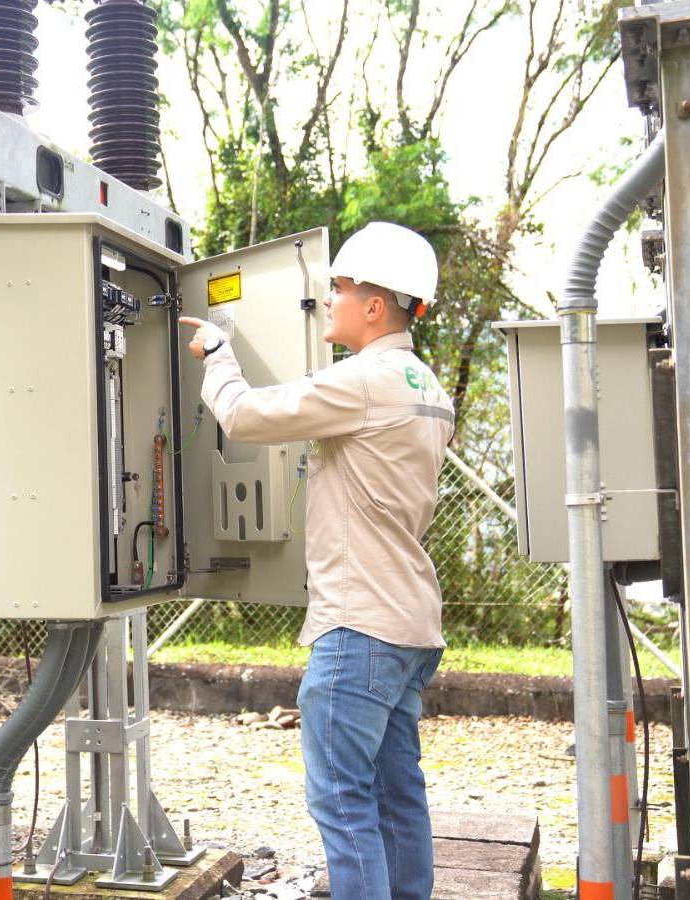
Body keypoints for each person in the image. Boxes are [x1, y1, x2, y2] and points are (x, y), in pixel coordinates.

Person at [180, 221, 454, 900]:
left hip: (360, 626)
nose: (328, 298)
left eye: (340, 288)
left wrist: (219, 351)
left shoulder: (365, 382)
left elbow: (244, 417)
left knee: (342, 798)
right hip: (409, 622)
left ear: (375, 305)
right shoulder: (426, 386)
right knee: (396, 793)